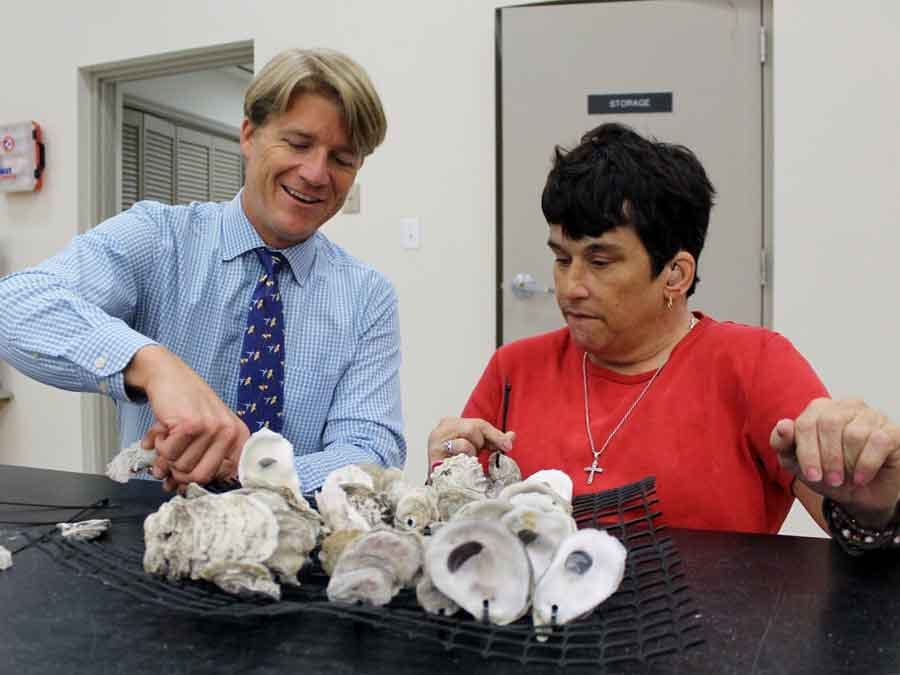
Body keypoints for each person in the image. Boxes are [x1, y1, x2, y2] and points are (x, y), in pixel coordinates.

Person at [427, 123, 900, 552]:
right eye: (562, 258)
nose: (570, 287)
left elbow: (859, 528)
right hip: (547, 640)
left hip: (704, 636)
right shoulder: (515, 369)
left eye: (600, 261)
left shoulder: (753, 364)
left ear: (675, 274)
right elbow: (463, 541)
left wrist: (874, 504)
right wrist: (447, 475)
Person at [0, 48, 405, 492]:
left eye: (342, 159)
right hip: (154, 535)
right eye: (298, 143)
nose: (315, 173)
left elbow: (370, 450)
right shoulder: (157, 238)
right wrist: (152, 366)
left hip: (296, 542)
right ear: (249, 135)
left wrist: (254, 468)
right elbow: (16, 304)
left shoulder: (367, 296)